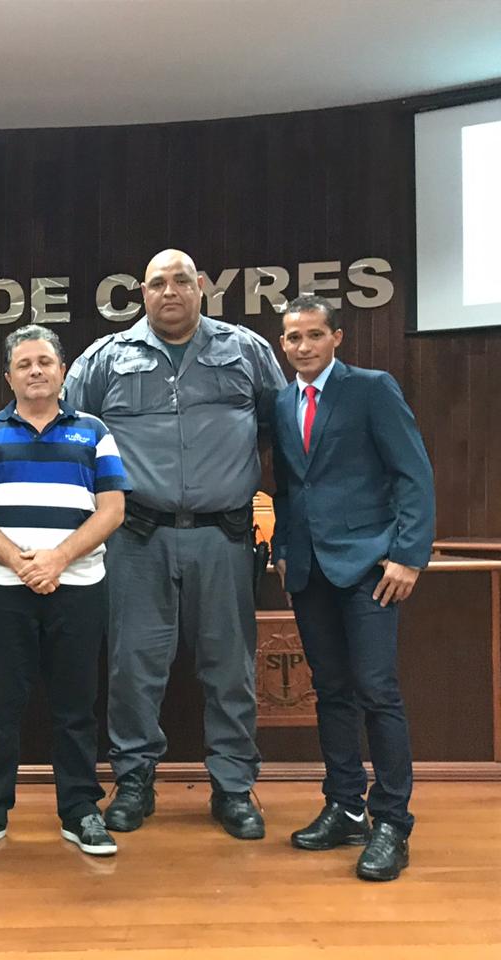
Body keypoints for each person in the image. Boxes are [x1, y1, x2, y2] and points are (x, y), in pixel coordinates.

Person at [65, 248, 286, 840]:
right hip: (138, 538)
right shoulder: (105, 359)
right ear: (142, 292)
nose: (170, 292)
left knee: (230, 668)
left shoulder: (246, 351)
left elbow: (278, 432)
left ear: (202, 287)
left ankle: (234, 787)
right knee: (133, 668)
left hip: (225, 536)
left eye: (181, 281)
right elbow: (72, 439)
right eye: (158, 283)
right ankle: (134, 781)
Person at [271, 295, 433, 881]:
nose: (304, 346)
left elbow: (413, 474)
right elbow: (289, 487)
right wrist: (285, 551)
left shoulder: (372, 388)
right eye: (293, 338)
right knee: (331, 691)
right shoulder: (282, 401)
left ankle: (392, 821)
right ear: (283, 343)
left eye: (315, 335)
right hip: (310, 570)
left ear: (337, 337)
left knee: (376, 691)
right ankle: (345, 806)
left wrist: (408, 557)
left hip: (371, 567)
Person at [0, 325, 130, 856]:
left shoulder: (94, 432)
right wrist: (20, 562)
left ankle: (80, 810)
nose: (35, 371)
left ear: (61, 370)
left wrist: (57, 559)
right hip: (2, 586)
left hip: (77, 584)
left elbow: (114, 509)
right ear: (8, 375)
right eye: (24, 363)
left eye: (45, 362)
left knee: (77, 705)